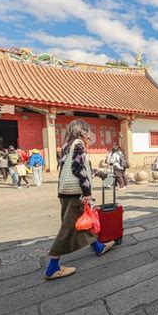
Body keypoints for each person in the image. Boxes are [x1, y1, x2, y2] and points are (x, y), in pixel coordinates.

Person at [44, 119, 113, 280]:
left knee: (84, 221)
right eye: (87, 131)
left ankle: (98, 247)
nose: (89, 135)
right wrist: (87, 192)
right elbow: (78, 169)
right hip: (75, 194)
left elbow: (73, 167)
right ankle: (52, 267)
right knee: (67, 229)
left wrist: (96, 172)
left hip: (65, 193)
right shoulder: (79, 144)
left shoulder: (67, 146)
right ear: (81, 131)